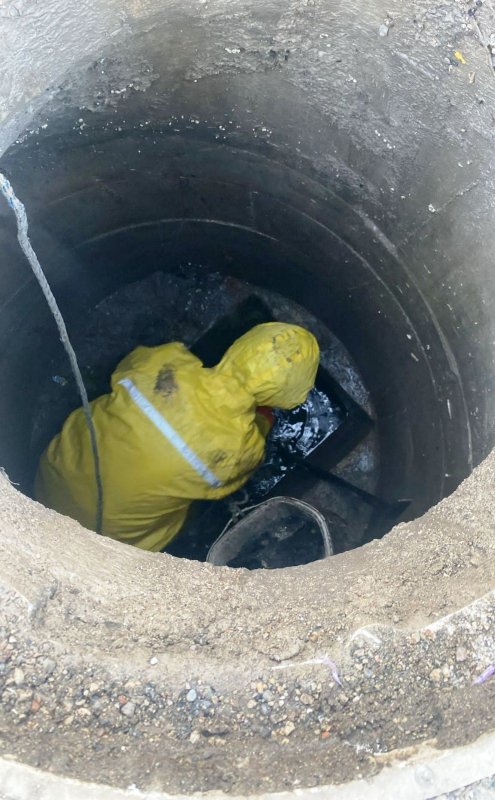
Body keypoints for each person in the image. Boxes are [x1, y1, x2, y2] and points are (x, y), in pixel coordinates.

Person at [35, 322, 320, 551]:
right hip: (107, 543)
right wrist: (262, 422)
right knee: (183, 502)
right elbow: (227, 485)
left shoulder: (165, 362)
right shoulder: (239, 450)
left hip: (52, 480)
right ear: (282, 398)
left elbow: (127, 367)